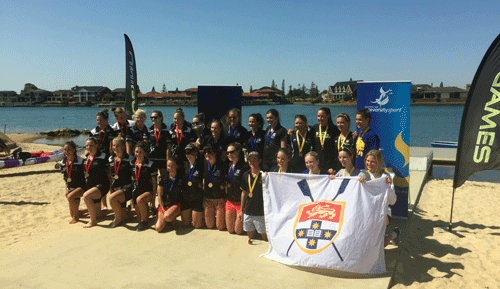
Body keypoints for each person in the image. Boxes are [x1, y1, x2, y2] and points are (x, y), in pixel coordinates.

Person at [358, 149, 399, 246]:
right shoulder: (362, 175)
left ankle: (393, 234)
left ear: (379, 162)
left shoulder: (385, 176)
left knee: (381, 244)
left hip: (382, 212)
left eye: (373, 161)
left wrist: (389, 186)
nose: (369, 164)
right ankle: (390, 236)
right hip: (366, 212)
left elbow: (392, 201)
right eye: (368, 161)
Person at [82, 137, 110, 228]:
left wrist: (112, 187)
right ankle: (113, 210)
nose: (89, 147)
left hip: (102, 185)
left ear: (96, 145)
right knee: (98, 215)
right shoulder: (86, 157)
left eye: (91, 145)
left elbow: (109, 173)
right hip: (91, 186)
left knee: (86, 196)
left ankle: (93, 221)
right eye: (87, 145)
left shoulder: (103, 156)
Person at [240, 151, 267, 242]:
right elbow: (244, 193)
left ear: (260, 160)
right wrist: (241, 210)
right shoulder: (245, 174)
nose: (252, 162)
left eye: (255, 159)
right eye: (250, 160)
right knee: (251, 237)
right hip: (248, 211)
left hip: (260, 212)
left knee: (265, 238)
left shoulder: (264, 175)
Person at [131, 141, 158, 231]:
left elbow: (154, 183)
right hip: (137, 190)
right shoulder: (132, 163)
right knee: (138, 217)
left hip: (148, 191)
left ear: (145, 153)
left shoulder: (150, 164)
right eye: (136, 152)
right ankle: (147, 213)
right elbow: (132, 180)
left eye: (140, 152)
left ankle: (145, 223)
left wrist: (153, 199)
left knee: (140, 200)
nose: (138, 154)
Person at [107, 135, 134, 227]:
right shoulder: (111, 159)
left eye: (117, 146)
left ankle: (117, 220)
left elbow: (134, 177)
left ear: (123, 146)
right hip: (116, 189)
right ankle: (124, 215)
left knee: (111, 198)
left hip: (127, 189)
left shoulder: (130, 159)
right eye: (113, 146)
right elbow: (110, 176)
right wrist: (111, 189)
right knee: (125, 216)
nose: (115, 148)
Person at [59, 141, 85, 224]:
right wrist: (67, 188)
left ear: (74, 150)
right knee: (72, 212)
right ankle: (84, 211)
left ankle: (76, 218)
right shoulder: (63, 162)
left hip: (82, 187)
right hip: (71, 188)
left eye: (69, 149)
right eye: (65, 150)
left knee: (70, 197)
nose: (66, 152)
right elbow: (66, 178)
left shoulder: (81, 161)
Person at [156, 156, 183, 232]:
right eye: (168, 166)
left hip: (175, 205)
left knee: (167, 216)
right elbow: (160, 196)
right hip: (164, 205)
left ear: (177, 166)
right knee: (158, 228)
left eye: (172, 166)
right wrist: (163, 209)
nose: (170, 168)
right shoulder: (163, 178)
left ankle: (172, 220)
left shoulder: (181, 178)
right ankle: (166, 219)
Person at [225, 142, 247, 235]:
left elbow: (245, 190)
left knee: (238, 231)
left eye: (232, 152)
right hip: (230, 201)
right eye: (228, 153)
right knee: (230, 230)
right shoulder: (229, 165)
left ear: (238, 152)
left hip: (240, 203)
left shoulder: (244, 166)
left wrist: (242, 209)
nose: (229, 154)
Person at [180, 143, 204, 229]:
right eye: (186, 153)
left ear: (196, 153)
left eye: (191, 153)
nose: (188, 155)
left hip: (197, 197)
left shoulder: (201, 165)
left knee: (196, 225)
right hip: (186, 197)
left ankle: (202, 215)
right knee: (186, 223)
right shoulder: (183, 165)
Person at [203, 144, 226, 230]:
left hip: (219, 198)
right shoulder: (204, 163)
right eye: (205, 152)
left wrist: (224, 185)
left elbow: (228, 179)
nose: (206, 154)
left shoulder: (222, 164)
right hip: (208, 198)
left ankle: (222, 217)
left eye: (209, 152)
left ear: (215, 153)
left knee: (220, 227)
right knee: (209, 226)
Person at [313, 107, 341, 173]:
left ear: (328, 116)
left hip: (330, 165)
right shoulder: (314, 128)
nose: (320, 118)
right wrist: (292, 133)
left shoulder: (334, 129)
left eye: (322, 116)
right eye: (318, 116)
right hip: (317, 164)